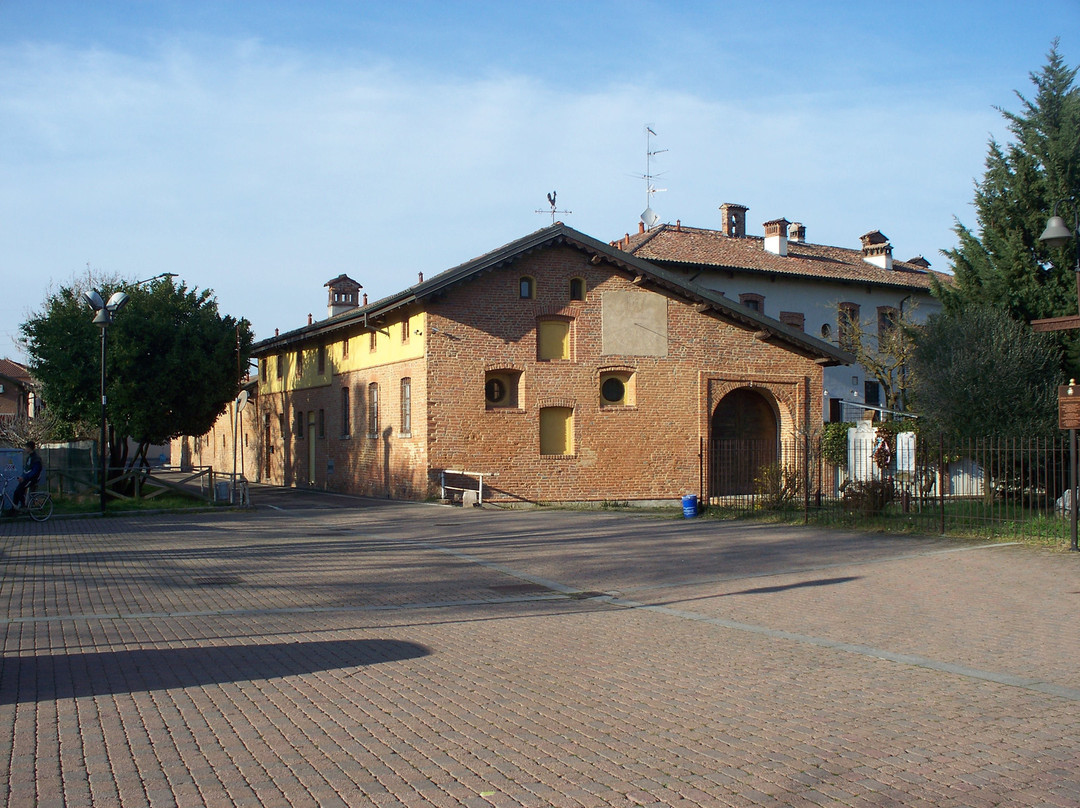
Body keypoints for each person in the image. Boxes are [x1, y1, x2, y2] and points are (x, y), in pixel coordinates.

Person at [12, 441, 42, 510]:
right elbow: (26, 469)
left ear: (30, 448)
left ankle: (24, 506)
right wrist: (22, 477)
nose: (25, 449)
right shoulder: (29, 458)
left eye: (26, 447)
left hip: (33, 478)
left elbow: (34, 471)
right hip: (27, 478)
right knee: (16, 491)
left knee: (20, 490)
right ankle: (14, 509)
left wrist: (25, 477)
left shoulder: (36, 459)